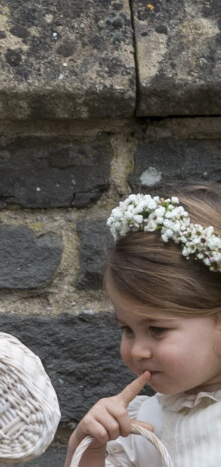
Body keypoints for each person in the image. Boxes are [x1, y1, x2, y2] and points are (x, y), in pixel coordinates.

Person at [65, 184, 221, 467]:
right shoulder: (140, 427)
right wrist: (88, 448)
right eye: (127, 329)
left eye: (157, 329)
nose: (138, 351)